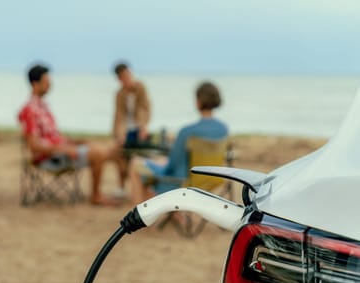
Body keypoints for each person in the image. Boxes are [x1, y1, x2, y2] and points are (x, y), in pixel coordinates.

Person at [18, 63, 119, 206]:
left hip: (61, 152)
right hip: (51, 159)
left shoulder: (43, 106)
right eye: (47, 82)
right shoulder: (30, 110)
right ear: (35, 83)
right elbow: (35, 147)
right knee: (99, 152)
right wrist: (64, 149)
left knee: (104, 148)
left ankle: (112, 190)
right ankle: (96, 196)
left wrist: (77, 142)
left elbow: (54, 137)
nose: (50, 85)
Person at [129, 81, 228, 204]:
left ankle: (140, 220)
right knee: (160, 162)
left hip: (183, 184)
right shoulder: (223, 129)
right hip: (212, 182)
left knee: (135, 164)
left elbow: (172, 167)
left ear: (198, 102)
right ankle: (178, 216)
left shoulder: (187, 132)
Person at [112, 61, 151, 197]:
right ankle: (121, 186)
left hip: (139, 129)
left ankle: (144, 187)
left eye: (128, 74)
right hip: (126, 131)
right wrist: (119, 135)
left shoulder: (140, 88)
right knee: (120, 155)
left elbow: (145, 109)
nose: (127, 78)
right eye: (123, 76)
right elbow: (119, 116)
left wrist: (143, 126)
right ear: (119, 78)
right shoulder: (119, 94)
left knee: (142, 156)